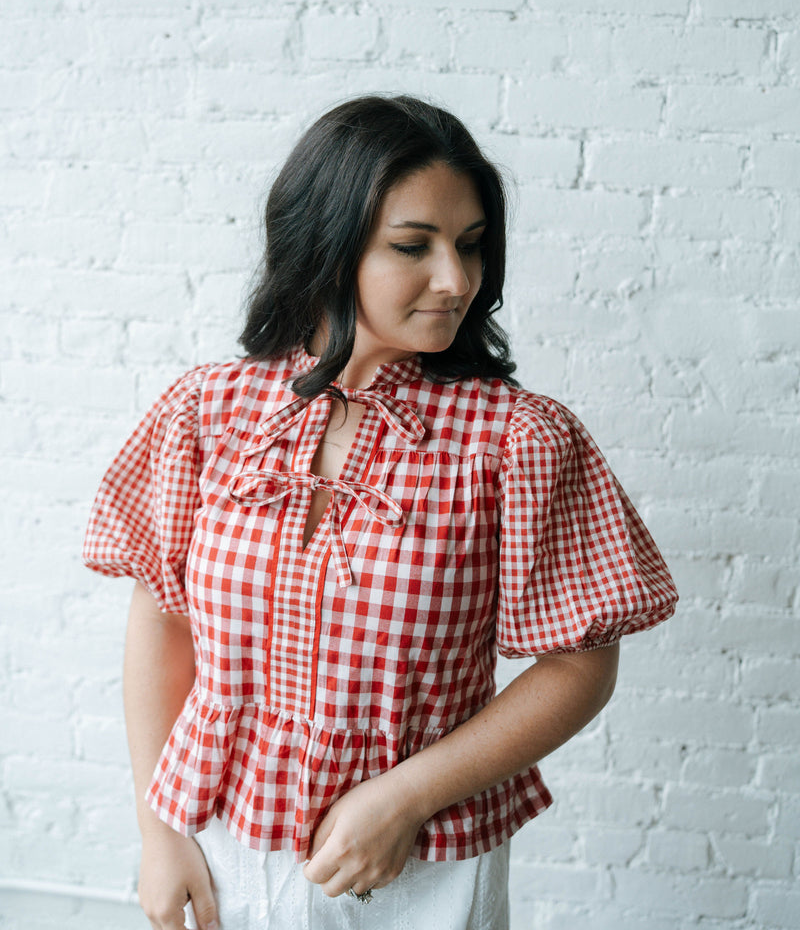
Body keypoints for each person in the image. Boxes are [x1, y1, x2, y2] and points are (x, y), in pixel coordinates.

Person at [83, 95, 678, 930]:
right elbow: (163, 619)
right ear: (326, 244)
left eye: (472, 245)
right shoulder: (206, 413)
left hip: (418, 860)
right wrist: (160, 832)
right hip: (218, 847)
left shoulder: (517, 440)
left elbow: (580, 666)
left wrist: (403, 798)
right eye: (413, 245)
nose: (457, 280)